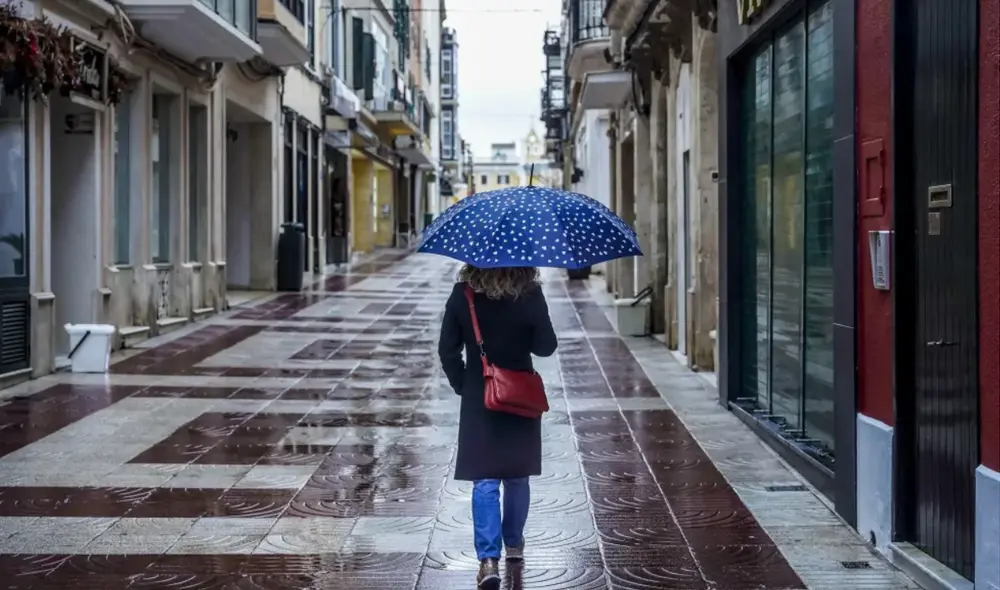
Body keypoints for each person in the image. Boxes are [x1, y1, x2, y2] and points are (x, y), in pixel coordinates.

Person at [438, 264, 558, 589]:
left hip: (480, 396)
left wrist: (464, 383)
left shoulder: (463, 295)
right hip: (521, 396)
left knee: (486, 479)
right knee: (518, 476)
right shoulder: (530, 292)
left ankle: (488, 560)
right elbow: (546, 346)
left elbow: (446, 350)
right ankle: (514, 544)